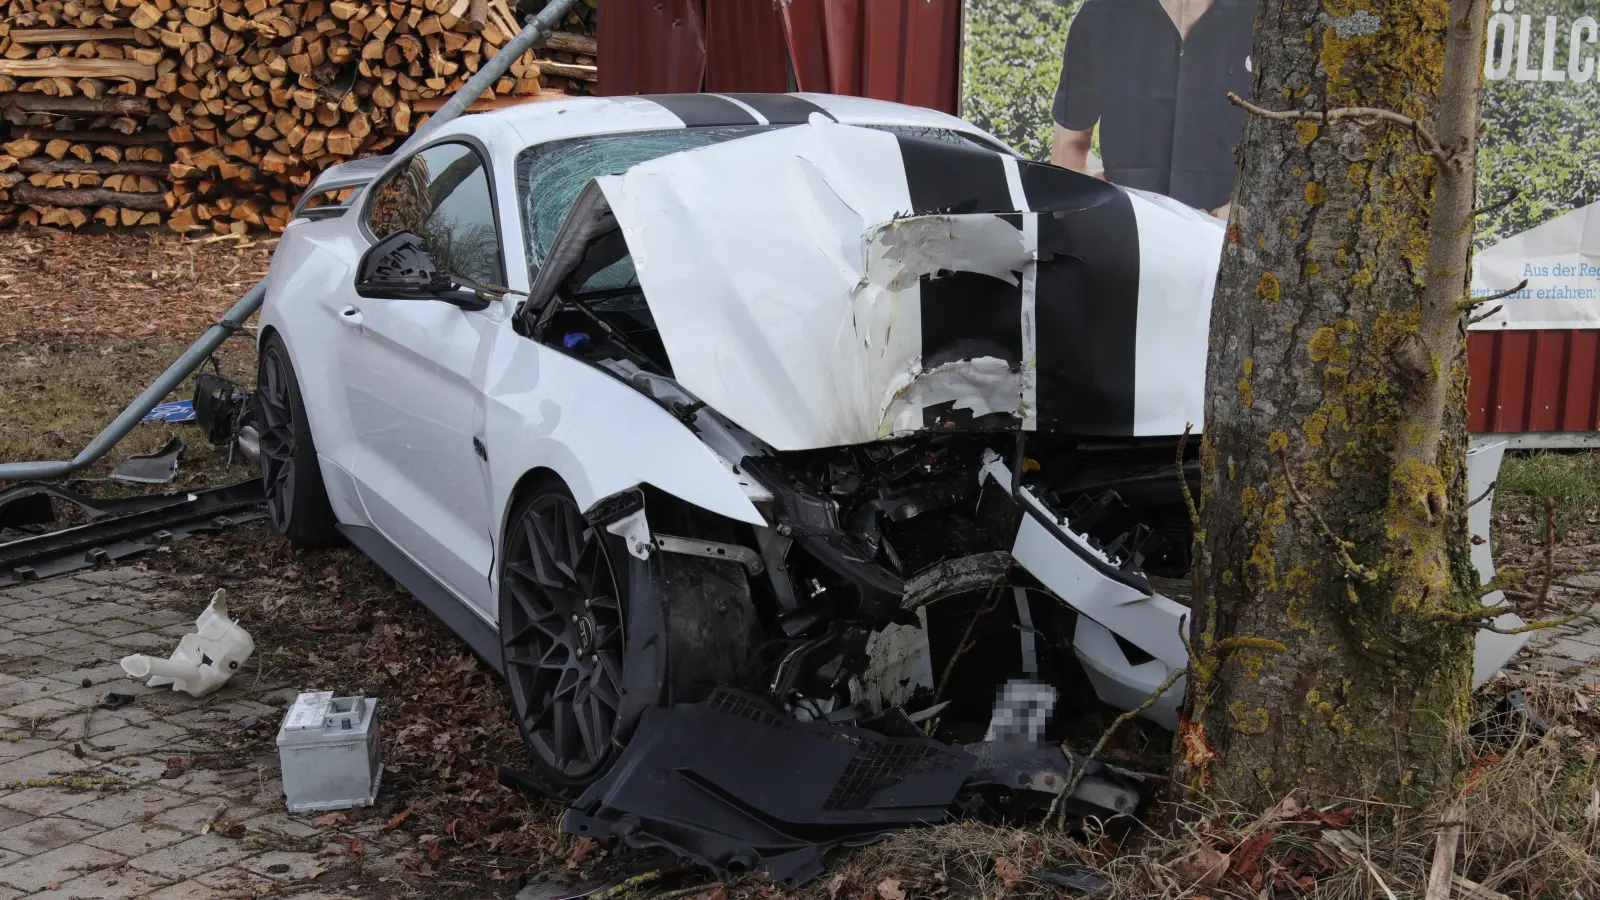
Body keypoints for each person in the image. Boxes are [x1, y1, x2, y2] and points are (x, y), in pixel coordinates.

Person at [1049, 0, 1257, 220]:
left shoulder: (1262, 13)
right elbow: (1070, 146)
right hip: (1130, 225)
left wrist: (1239, 211)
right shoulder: (1103, 10)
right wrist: (1096, 202)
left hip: (1228, 231)